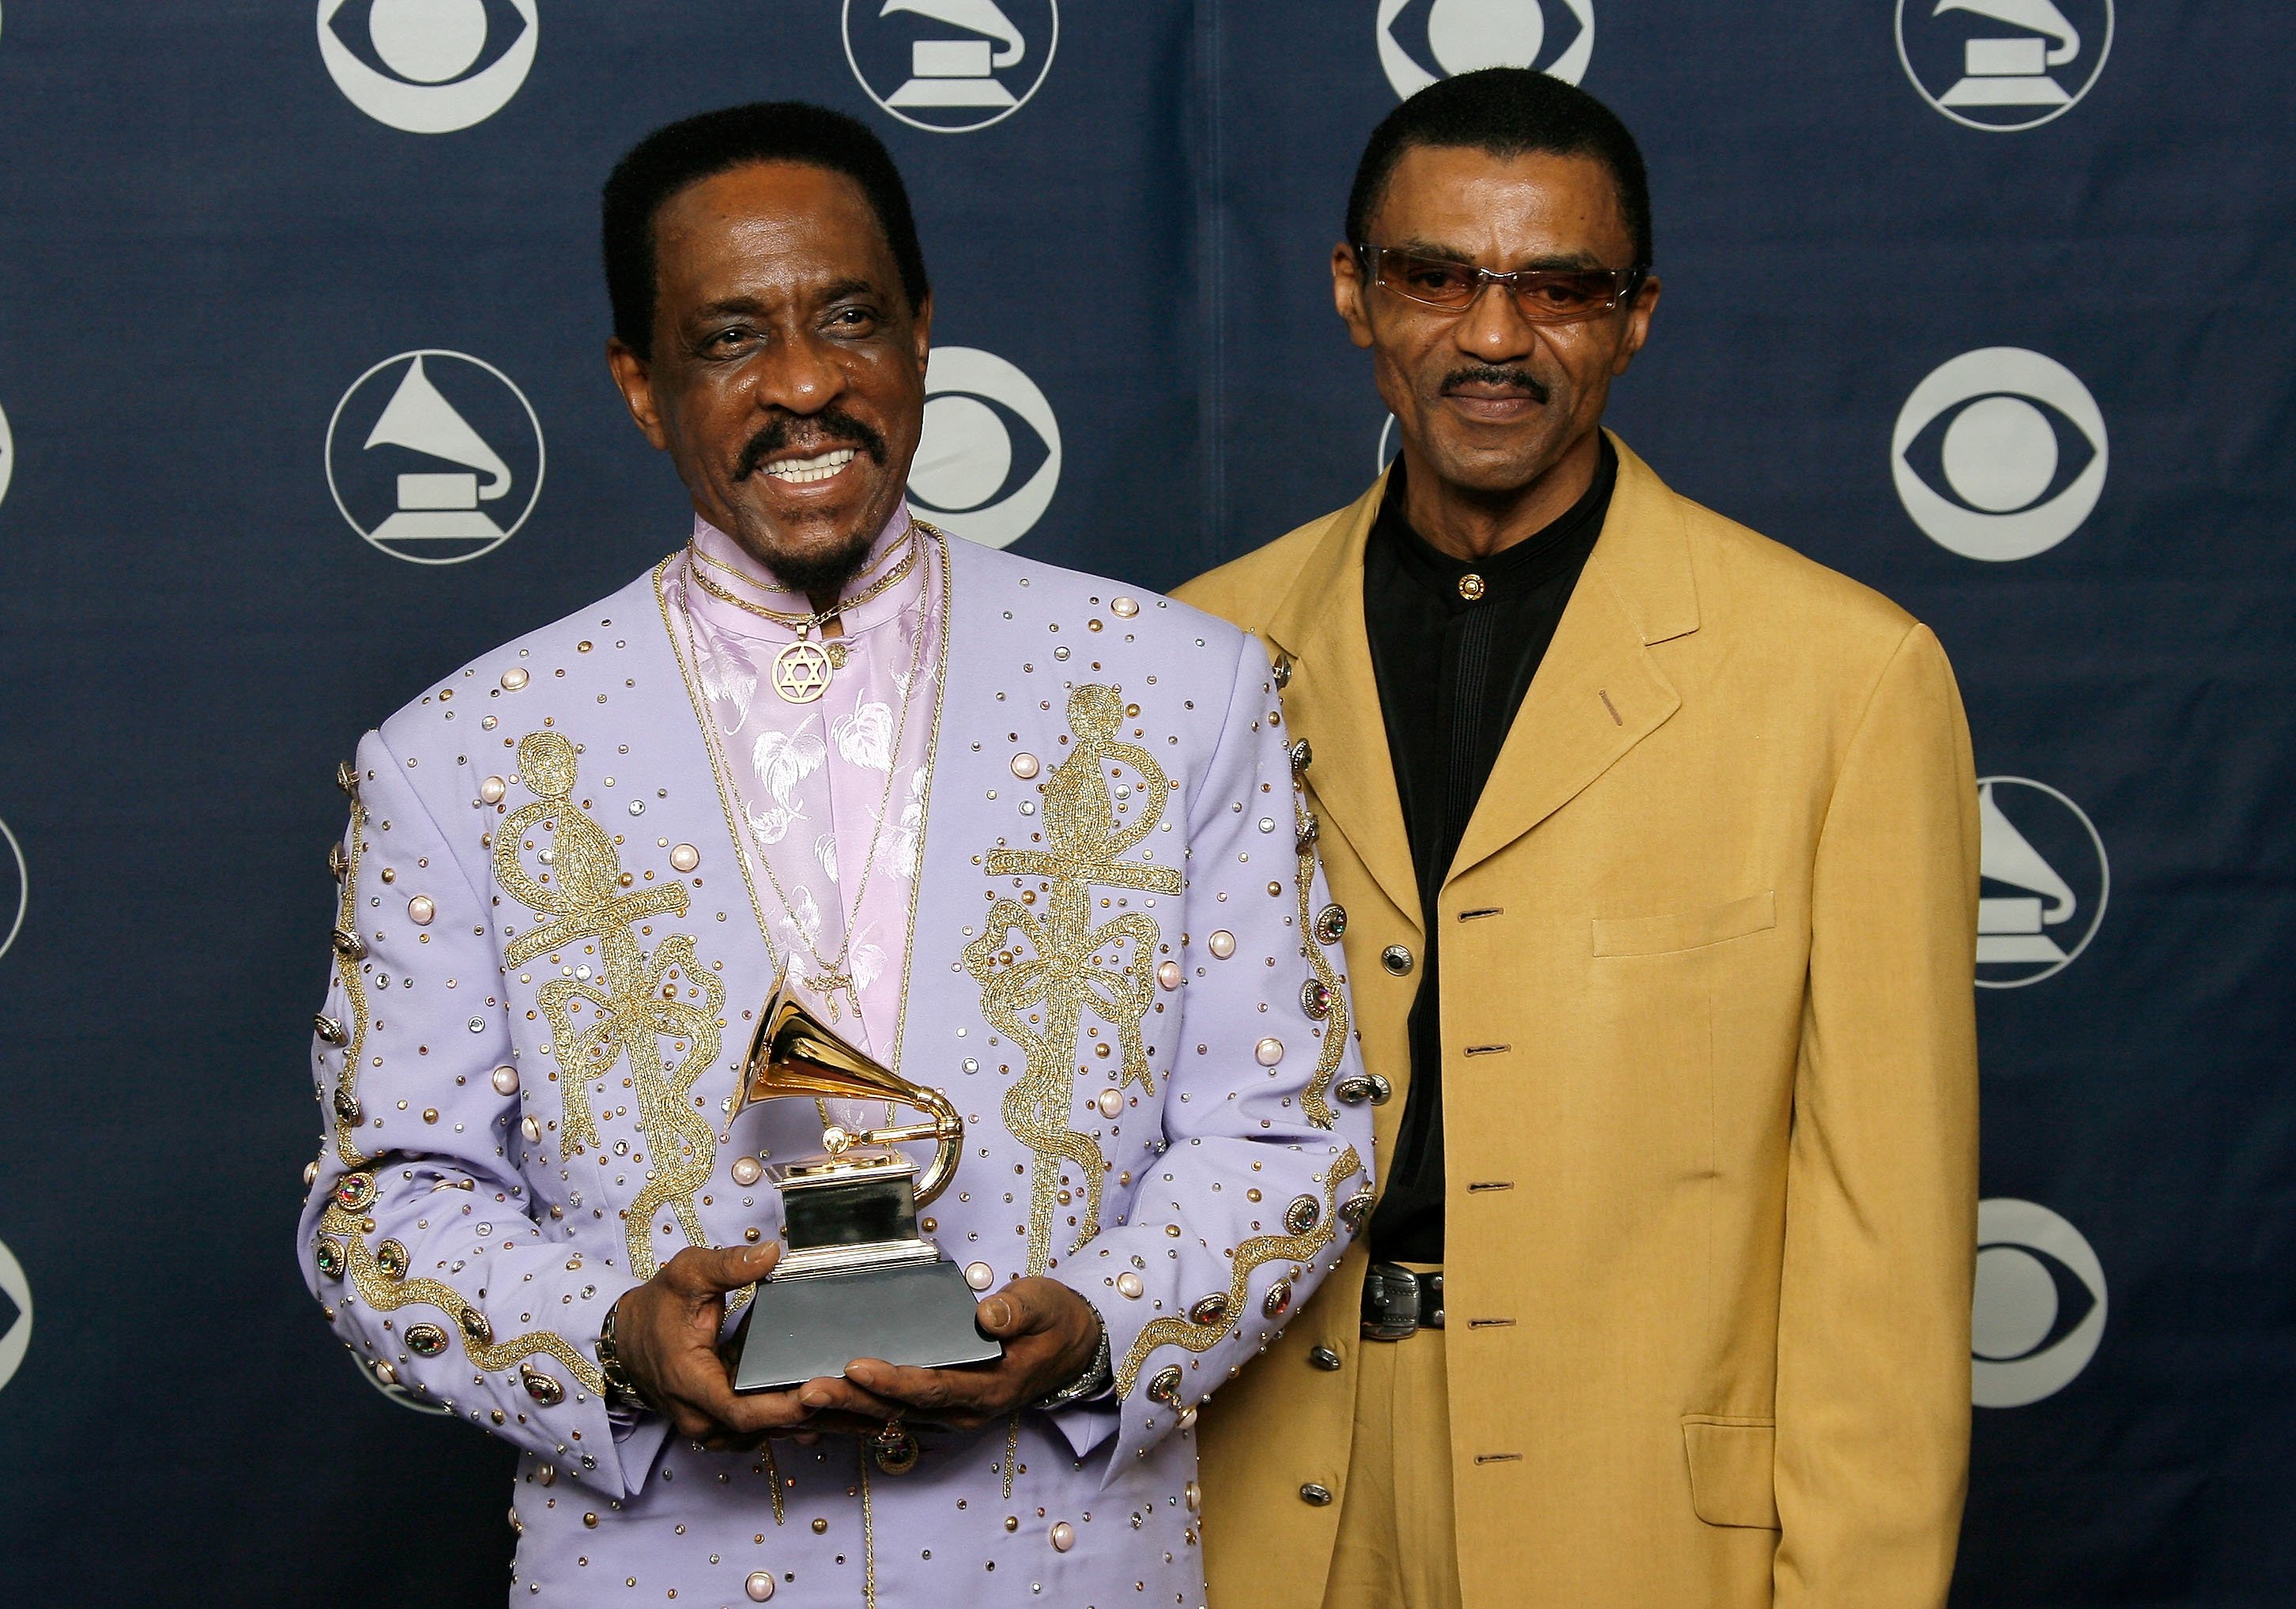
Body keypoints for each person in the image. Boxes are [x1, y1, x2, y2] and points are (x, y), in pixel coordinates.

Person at [296, 100, 1371, 1607]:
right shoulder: (461, 755)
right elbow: (384, 1206)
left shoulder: (1183, 691)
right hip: (655, 1567)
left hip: (1067, 1566)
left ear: (923, 333)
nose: (806, 385)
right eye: (732, 337)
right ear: (638, 384)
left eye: (849, 317)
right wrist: (612, 1335)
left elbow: (1290, 1131)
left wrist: (1107, 1320)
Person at [1177, 69, 1980, 1609]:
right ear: (1355, 293)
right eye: (1436, 277)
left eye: (1559, 289)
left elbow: (1888, 1249)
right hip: (1256, 1504)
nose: (1494, 338)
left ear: (1637, 316)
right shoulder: (1203, 649)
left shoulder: (1847, 680)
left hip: (1635, 1527)